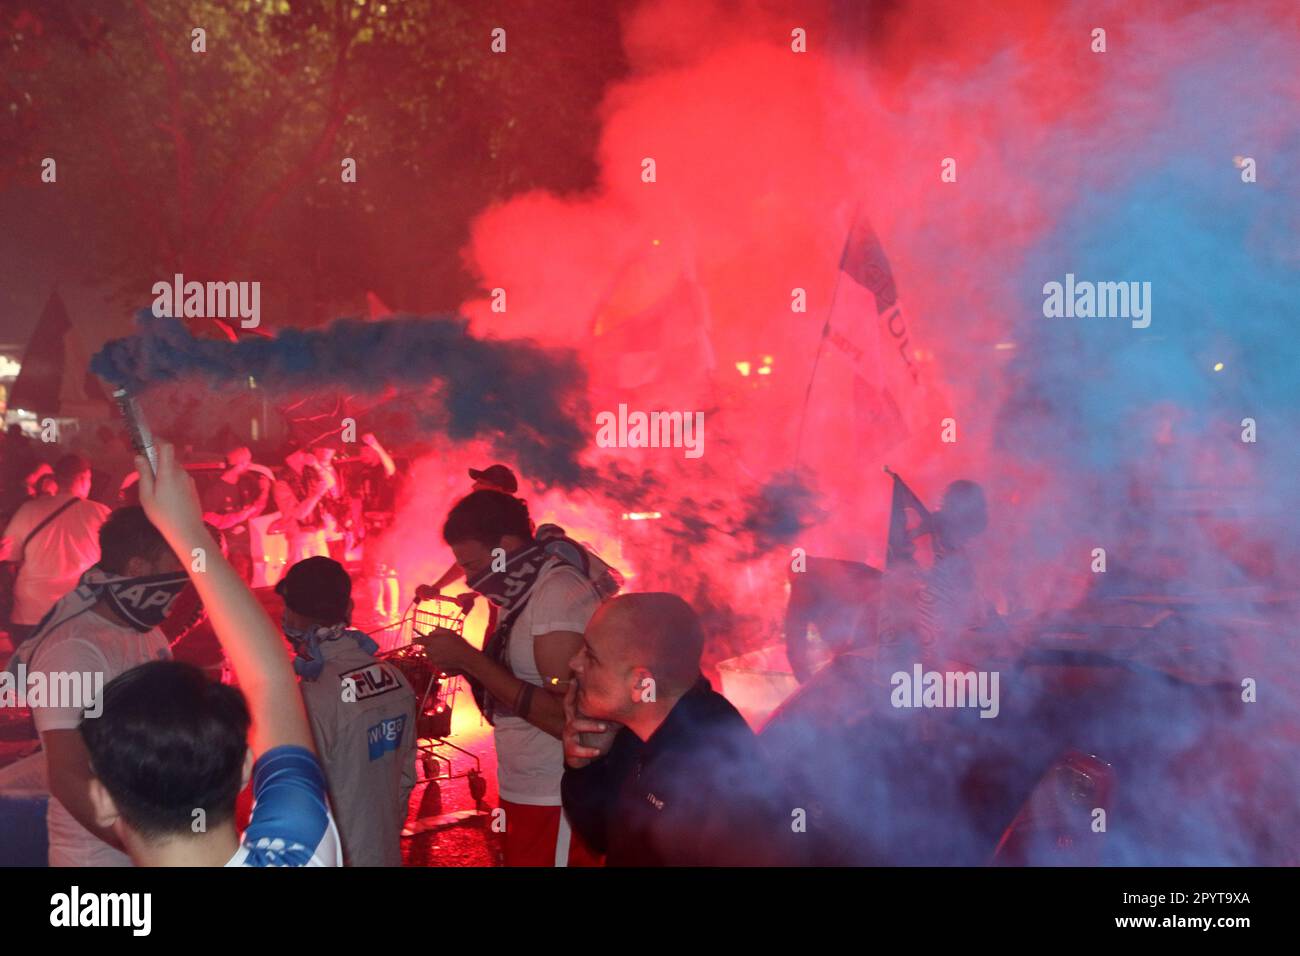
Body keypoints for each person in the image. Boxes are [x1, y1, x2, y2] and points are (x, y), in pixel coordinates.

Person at [78, 442, 342, 866]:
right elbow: (269, 681)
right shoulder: (300, 850)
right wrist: (188, 531)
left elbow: (268, 682)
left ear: (102, 799)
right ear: (244, 770)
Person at [417, 489, 601, 866]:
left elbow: (569, 719)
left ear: (505, 546)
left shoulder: (556, 595)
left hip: (557, 796)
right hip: (525, 788)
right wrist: (465, 665)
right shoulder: (518, 592)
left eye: (470, 565)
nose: (468, 579)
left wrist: (470, 659)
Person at [561, 593, 799, 866]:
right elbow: (603, 835)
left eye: (590, 656)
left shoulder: (716, 775)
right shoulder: (637, 731)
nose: (574, 663)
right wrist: (585, 766)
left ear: (641, 684)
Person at [19, 506, 188, 866]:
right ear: (138, 569)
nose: (182, 574)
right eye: (173, 561)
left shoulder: (149, 636)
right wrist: (144, 848)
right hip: (96, 858)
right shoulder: (73, 649)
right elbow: (67, 774)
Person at [275, 556, 416, 866]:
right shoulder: (394, 677)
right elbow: (406, 776)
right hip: (385, 852)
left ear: (296, 618)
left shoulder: (312, 694)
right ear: (349, 608)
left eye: (286, 610)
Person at [1, 454, 110, 648]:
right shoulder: (100, 513)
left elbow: (10, 554)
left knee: (30, 673)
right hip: (80, 609)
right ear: (84, 477)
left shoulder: (29, 509)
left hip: (30, 612)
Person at [423, 464, 520, 596]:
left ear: (497, 489)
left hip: (515, 605)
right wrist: (436, 587)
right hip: (503, 602)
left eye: (481, 482)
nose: (473, 486)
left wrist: (474, 595)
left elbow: (502, 570)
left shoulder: (509, 522)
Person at [200, 443, 272, 583]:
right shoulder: (216, 490)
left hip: (245, 548)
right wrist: (237, 517)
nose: (249, 465)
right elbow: (208, 520)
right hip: (228, 551)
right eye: (247, 462)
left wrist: (265, 491)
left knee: (247, 583)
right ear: (238, 464)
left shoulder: (243, 485)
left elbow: (253, 512)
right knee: (235, 586)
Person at [272, 444, 332, 564]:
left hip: (318, 533)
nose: (305, 455)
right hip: (300, 536)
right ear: (290, 458)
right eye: (300, 452)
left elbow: (330, 483)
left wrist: (316, 465)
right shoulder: (281, 483)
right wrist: (316, 495)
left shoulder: (309, 472)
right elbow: (299, 514)